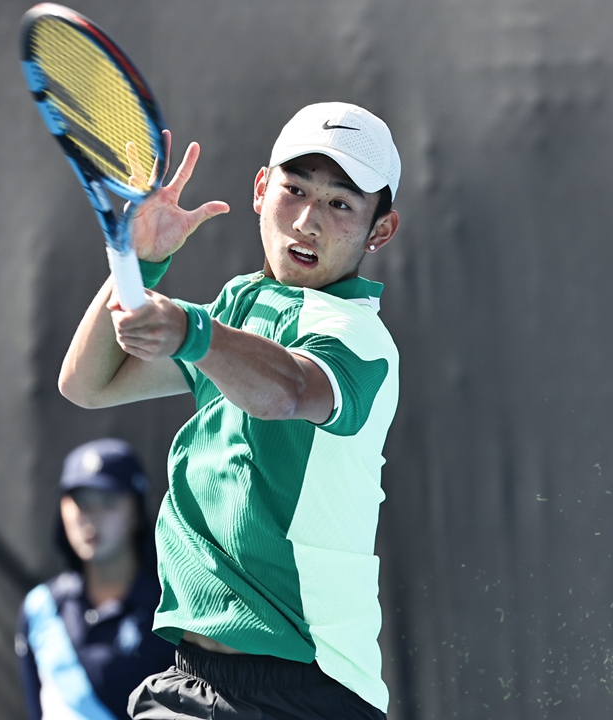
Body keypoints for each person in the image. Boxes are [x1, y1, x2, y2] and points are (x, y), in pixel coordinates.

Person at [59, 102, 402, 719]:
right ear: (260, 189)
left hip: (308, 689)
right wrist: (133, 262)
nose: (306, 221)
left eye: (340, 204)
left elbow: (289, 391)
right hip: (193, 679)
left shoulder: (358, 336)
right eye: (294, 190)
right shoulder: (238, 307)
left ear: (380, 230)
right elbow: (89, 383)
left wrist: (195, 333)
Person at [15, 438, 176, 720]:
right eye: (80, 502)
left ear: (137, 511)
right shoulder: (39, 608)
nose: (90, 517)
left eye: (108, 501)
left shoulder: (174, 606)